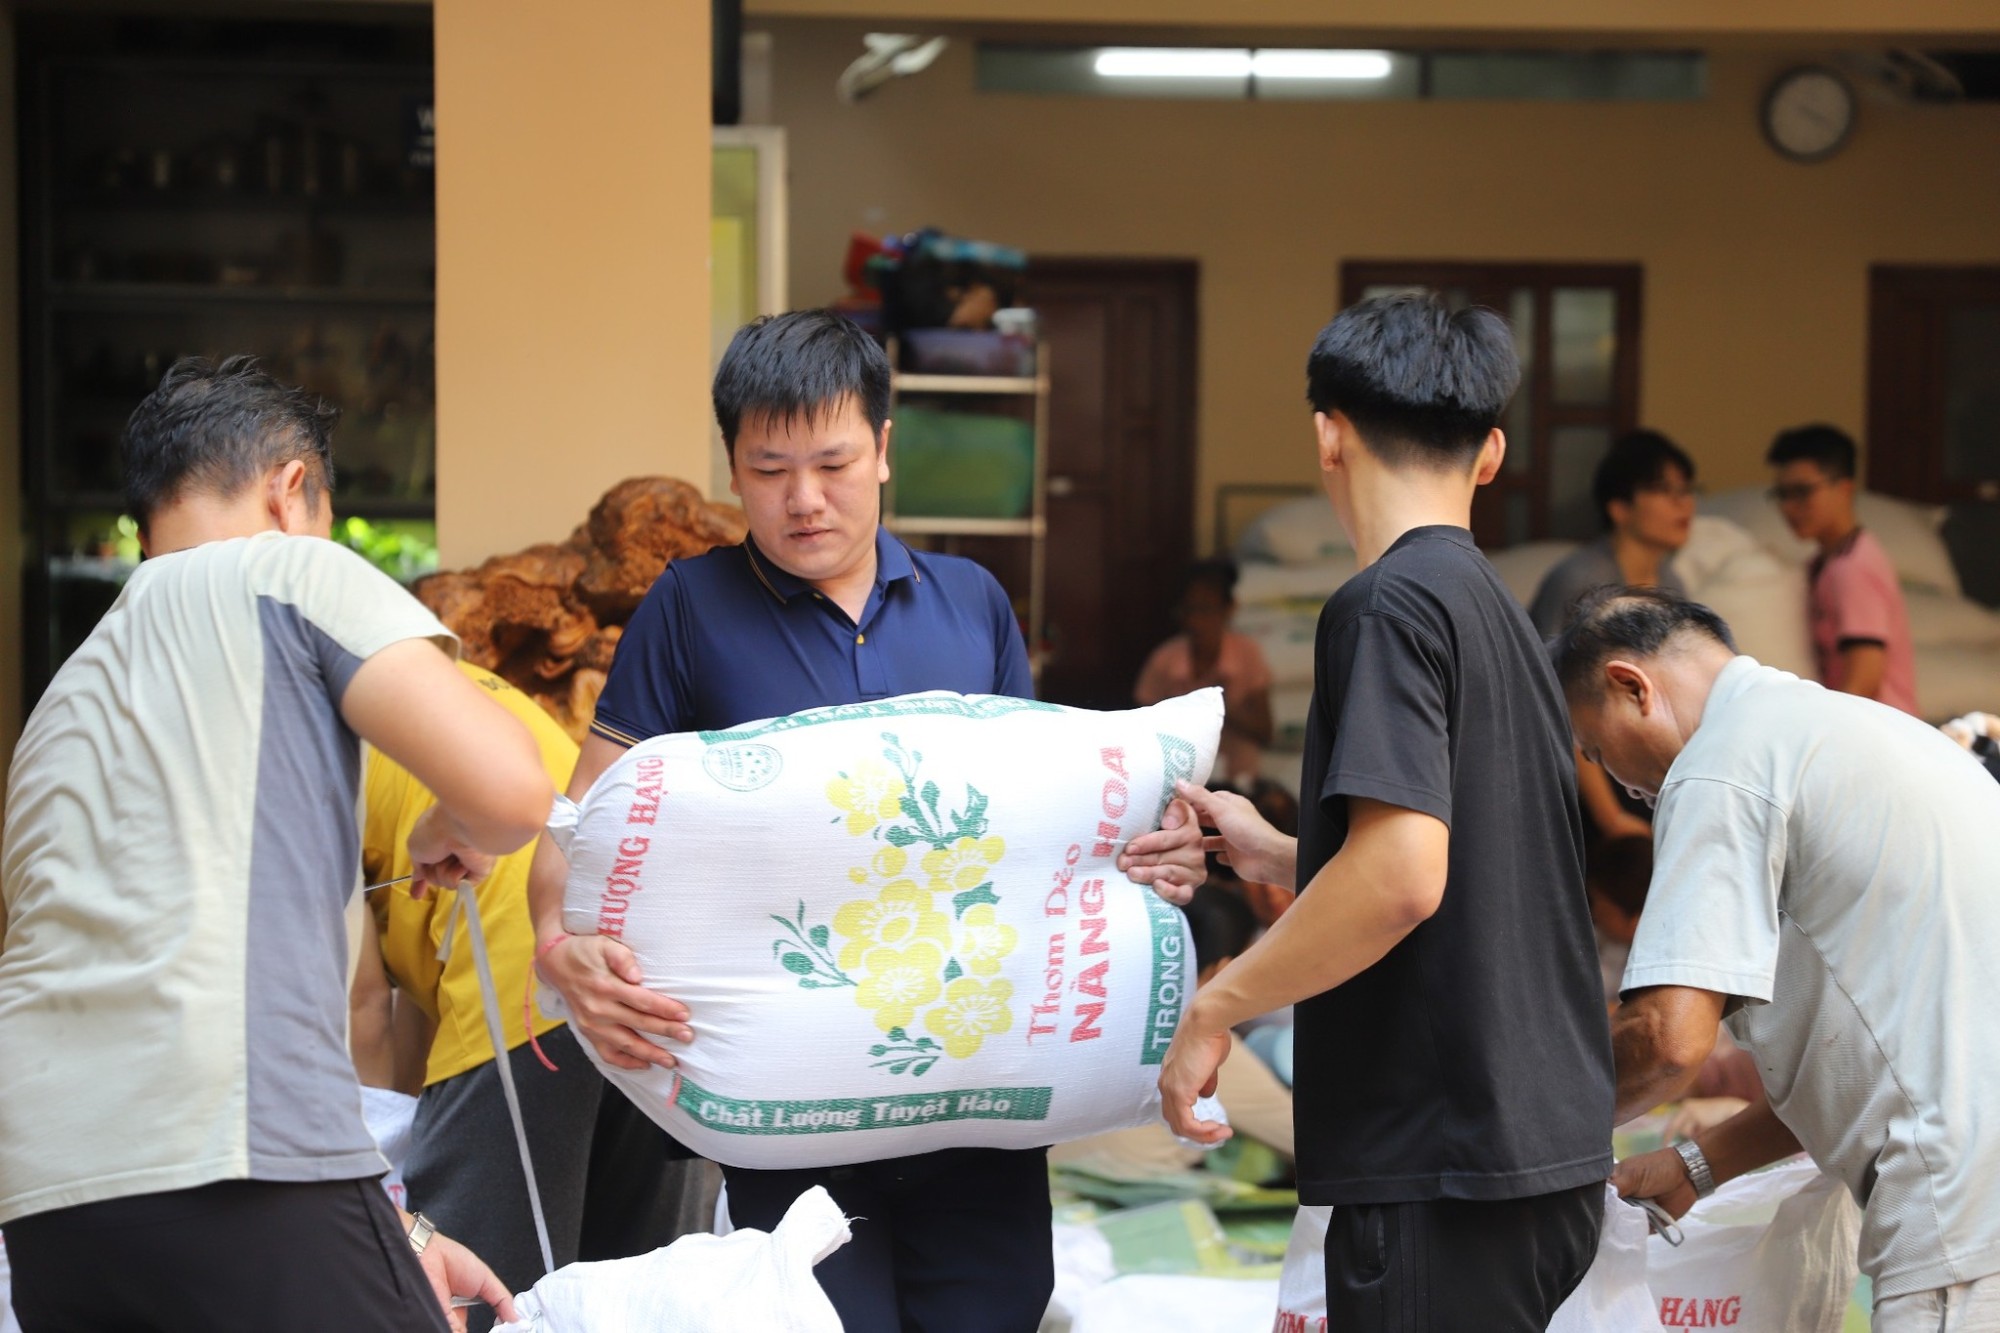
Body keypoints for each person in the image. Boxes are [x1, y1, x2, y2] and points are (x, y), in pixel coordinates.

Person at [524, 310, 1209, 1332]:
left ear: (884, 449)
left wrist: (1151, 857)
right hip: (792, 1110)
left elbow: (1046, 827)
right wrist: (557, 942)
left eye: (833, 463)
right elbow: (581, 824)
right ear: (732, 467)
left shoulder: (970, 603)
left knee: (994, 1311)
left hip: (977, 1101)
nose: (803, 499)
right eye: (769, 470)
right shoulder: (689, 608)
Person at [0, 356, 553, 1332]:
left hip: (46, 1198)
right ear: (290, 490)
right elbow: (514, 792)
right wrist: (446, 825)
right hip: (239, 1165)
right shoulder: (286, 570)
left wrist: (399, 1228)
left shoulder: (61, 701)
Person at [1159, 294, 1614, 1332]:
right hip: (1534, 1155)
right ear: (1491, 453)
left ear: (1329, 434)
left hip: (1438, 1165)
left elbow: (1403, 878)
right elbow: (1467, 859)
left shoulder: (1385, 605)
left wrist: (1213, 1009)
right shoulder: (1496, 610)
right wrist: (1286, 850)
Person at [1552, 588, 2000, 1331]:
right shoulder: (1866, 732)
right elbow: (1865, 1062)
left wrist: (1523, 1124)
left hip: (1964, 1219)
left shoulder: (1720, 765)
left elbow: (1668, 1039)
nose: (1624, 786)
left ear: (1632, 687)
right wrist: (1696, 1166)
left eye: (1597, 750)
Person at [350, 661, 701, 1333]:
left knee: (478, 1296)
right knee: (637, 1294)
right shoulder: (438, 678)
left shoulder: (291, 732)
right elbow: (421, 992)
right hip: (643, 964)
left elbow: (362, 1004)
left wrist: (375, 1183)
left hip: (530, 976)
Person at [1530, 429, 1697, 846]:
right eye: (1663, 490)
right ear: (1620, 508)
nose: (1683, 504)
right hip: (1566, 770)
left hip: (1634, 765)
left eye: (1686, 490)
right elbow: (1556, 707)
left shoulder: (1672, 583)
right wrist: (1611, 819)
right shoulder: (1581, 581)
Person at [1766, 423, 1919, 714]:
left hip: (1878, 726)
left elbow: (1864, 679)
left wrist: (1826, 730)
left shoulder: (1854, 567)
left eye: (1802, 492)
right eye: (1781, 494)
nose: (1788, 507)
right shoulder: (1824, 563)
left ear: (1845, 488)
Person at [1134, 558, 1274, 785]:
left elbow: (1265, 732)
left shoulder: (1247, 654)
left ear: (1229, 609)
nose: (1195, 621)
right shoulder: (1164, 661)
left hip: (1238, 781)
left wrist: (1223, 706)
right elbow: (1139, 735)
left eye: (1205, 610)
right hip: (1178, 784)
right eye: (1188, 610)